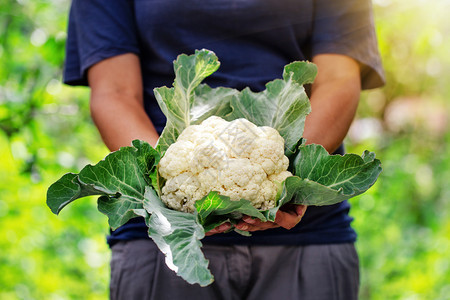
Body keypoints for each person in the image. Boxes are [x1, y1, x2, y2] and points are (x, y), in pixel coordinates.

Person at [63, 0, 384, 299]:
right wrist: (168, 190)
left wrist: (285, 186)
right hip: (164, 243)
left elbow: (339, 80)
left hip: (305, 237)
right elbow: (114, 92)